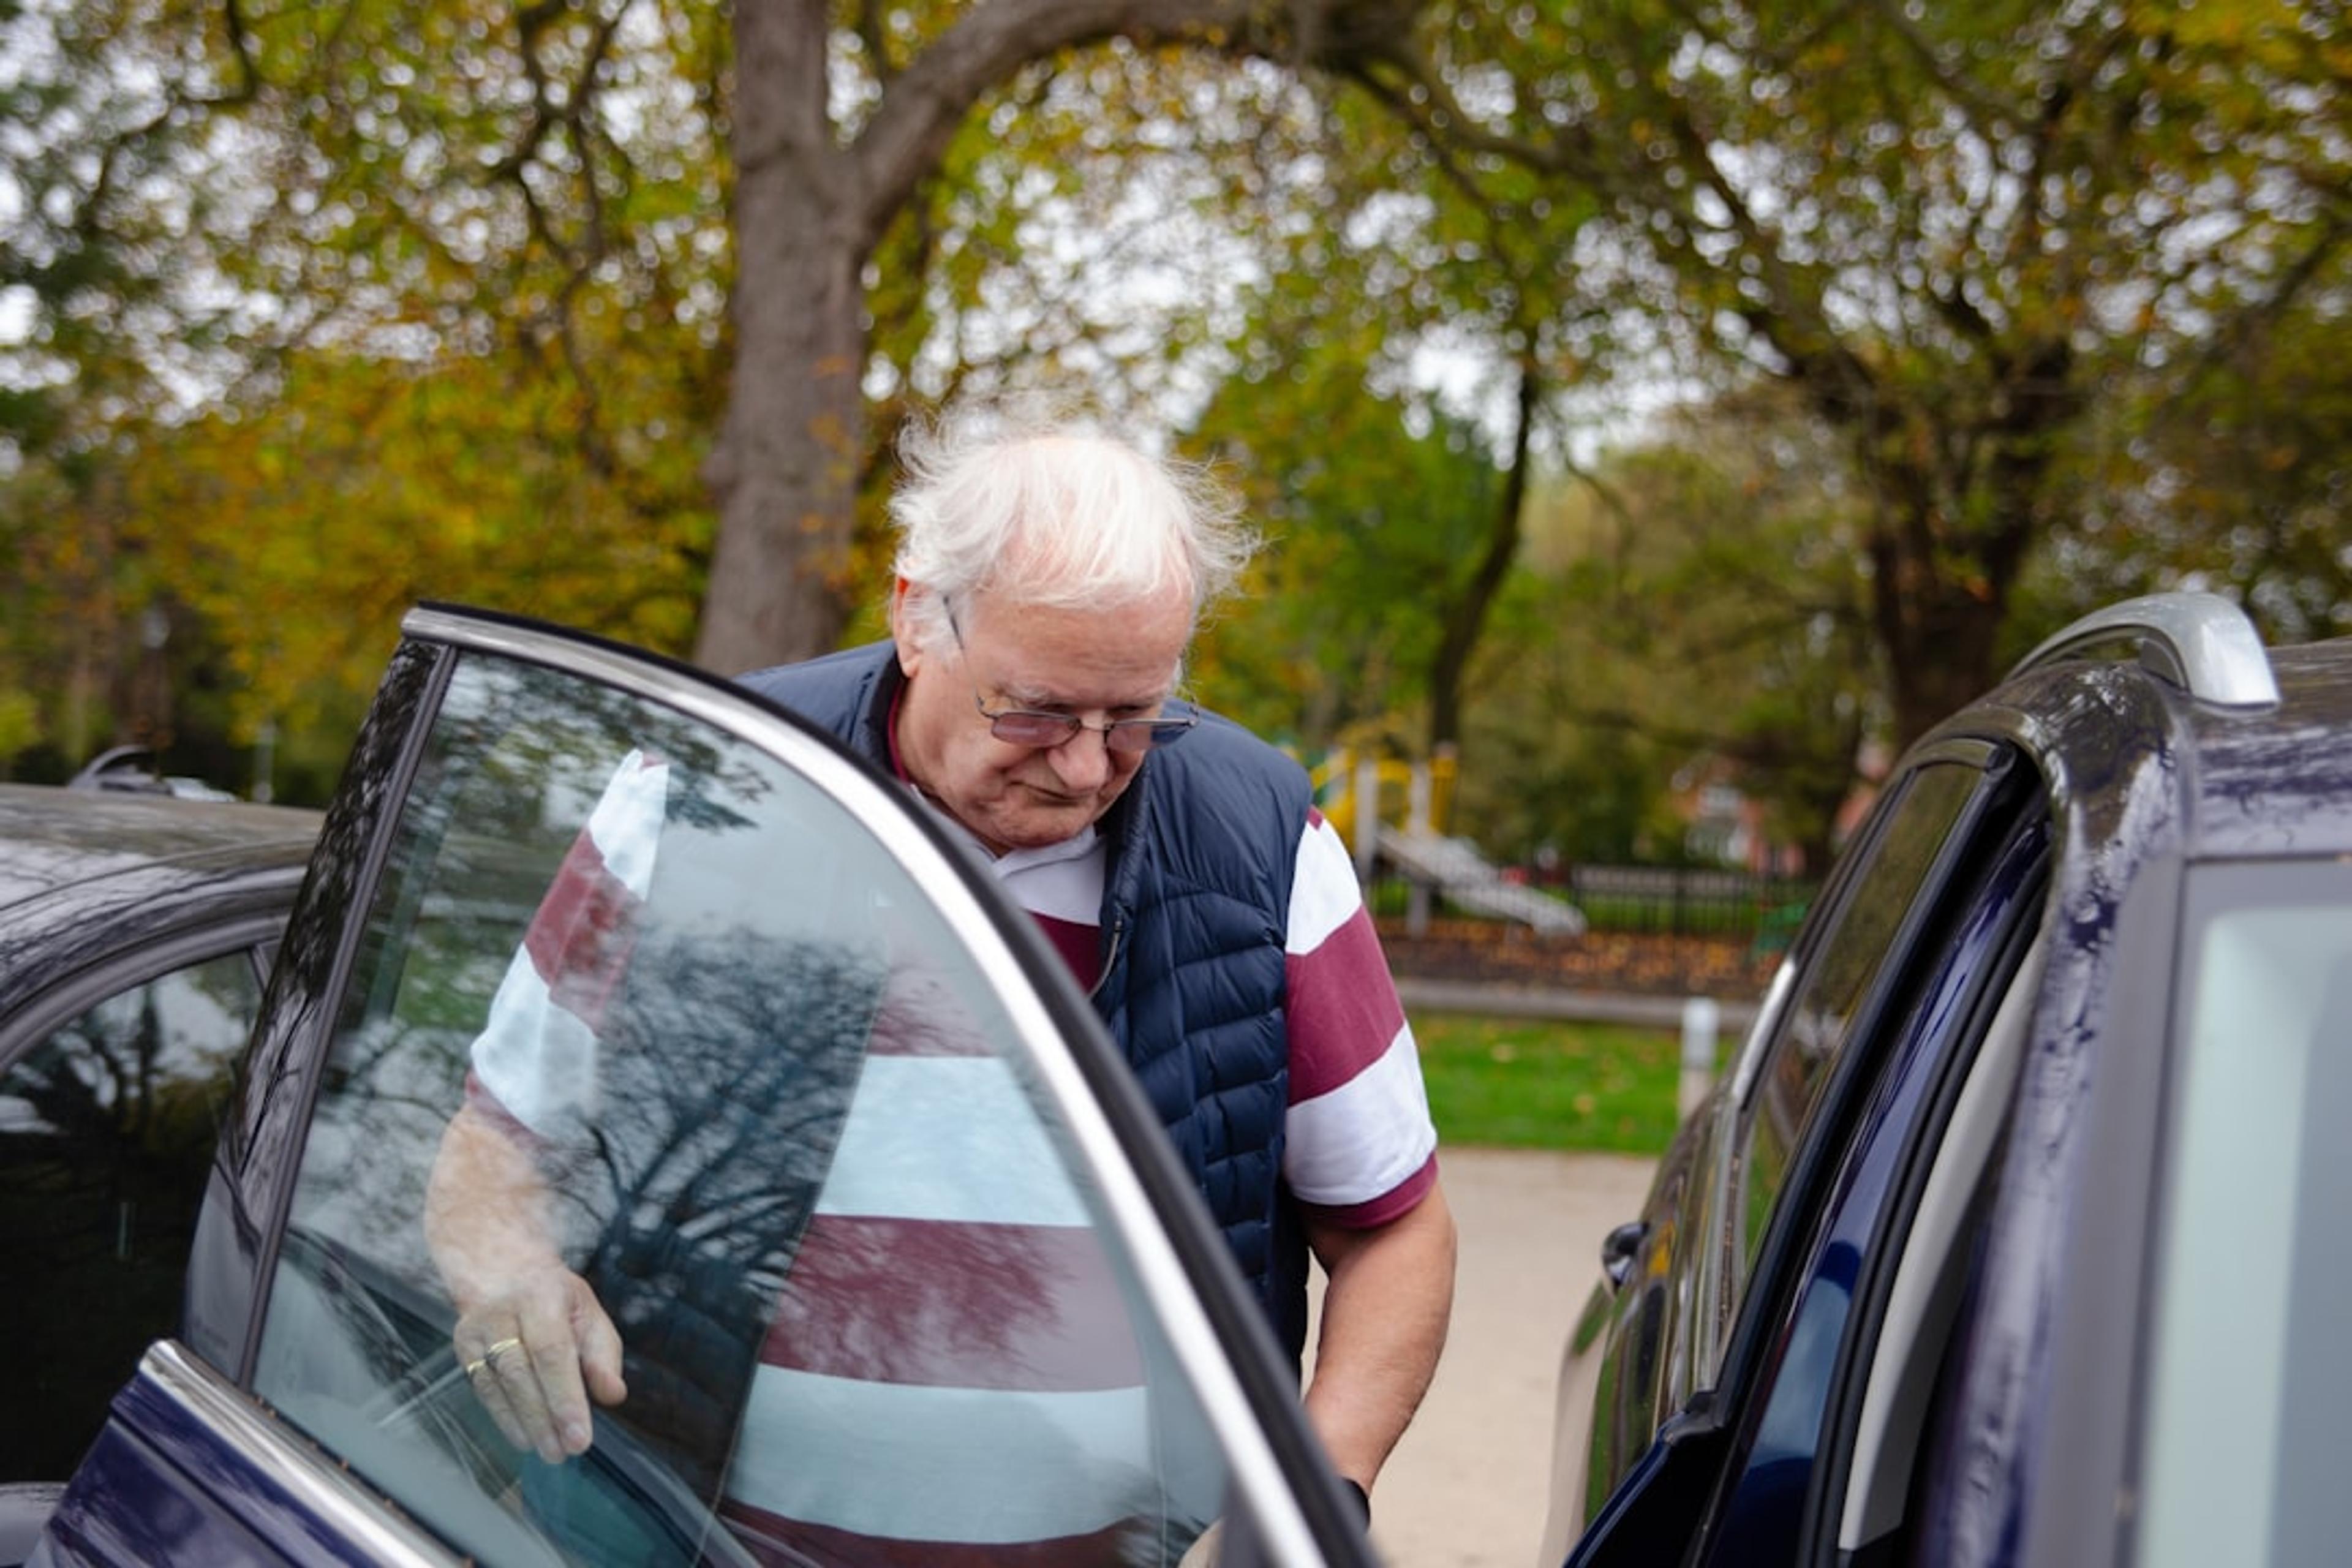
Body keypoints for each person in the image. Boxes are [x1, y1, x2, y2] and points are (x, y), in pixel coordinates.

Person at [425, 404, 1456, 1555]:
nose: (1084, 767)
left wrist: (1306, 1507)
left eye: (1136, 717)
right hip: (690, 1537)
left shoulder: (1261, 839)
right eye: (1038, 711)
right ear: (917, 617)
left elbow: (1393, 1231)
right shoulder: (709, 786)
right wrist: (508, 1270)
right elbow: (495, 1144)